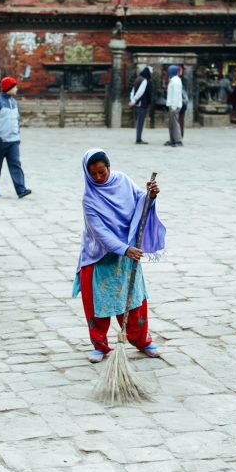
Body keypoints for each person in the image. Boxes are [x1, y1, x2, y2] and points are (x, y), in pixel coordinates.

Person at [72, 149, 166, 363]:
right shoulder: (89, 198)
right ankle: (100, 345)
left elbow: (140, 202)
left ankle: (142, 340)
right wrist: (124, 249)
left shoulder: (122, 180)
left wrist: (150, 195)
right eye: (93, 174)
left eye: (102, 172)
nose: (98, 177)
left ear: (109, 167)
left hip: (127, 253)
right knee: (98, 304)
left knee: (133, 300)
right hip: (99, 257)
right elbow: (99, 233)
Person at [0, 77, 32, 198]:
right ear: (8, 88)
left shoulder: (15, 102)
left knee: (16, 165)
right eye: (14, 86)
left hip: (14, 141)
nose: (16, 89)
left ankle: (21, 189)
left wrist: (17, 134)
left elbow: (17, 120)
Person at [129, 65, 152, 144]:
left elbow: (132, 91)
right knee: (140, 122)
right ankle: (138, 139)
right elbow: (140, 92)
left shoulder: (137, 79)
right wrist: (134, 100)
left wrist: (132, 100)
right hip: (141, 104)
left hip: (137, 104)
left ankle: (138, 138)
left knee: (139, 122)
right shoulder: (144, 80)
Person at [165, 65, 183, 147]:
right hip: (172, 105)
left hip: (174, 106)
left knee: (175, 124)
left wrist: (174, 107)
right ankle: (172, 140)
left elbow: (175, 95)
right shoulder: (173, 80)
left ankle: (178, 141)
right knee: (171, 124)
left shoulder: (175, 81)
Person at [178, 66, 189, 140]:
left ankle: (180, 135)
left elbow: (184, 92)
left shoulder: (182, 80)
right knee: (180, 120)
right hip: (183, 102)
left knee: (180, 120)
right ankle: (180, 135)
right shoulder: (183, 80)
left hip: (181, 102)